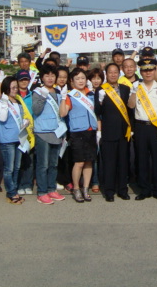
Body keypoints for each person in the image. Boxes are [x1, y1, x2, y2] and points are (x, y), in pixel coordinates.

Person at [127, 58, 157, 201]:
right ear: (140, 72)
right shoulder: (136, 86)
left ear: (155, 70)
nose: (148, 73)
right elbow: (131, 105)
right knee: (142, 159)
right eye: (145, 70)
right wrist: (134, 92)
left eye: (151, 69)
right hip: (140, 127)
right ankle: (144, 189)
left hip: (156, 127)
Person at [59, 67, 98, 203]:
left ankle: (85, 188)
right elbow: (63, 113)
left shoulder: (91, 94)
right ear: (72, 81)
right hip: (77, 132)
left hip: (91, 131)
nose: (80, 81)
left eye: (83, 78)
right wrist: (63, 97)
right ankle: (76, 188)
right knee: (79, 162)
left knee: (89, 161)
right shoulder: (70, 96)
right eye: (77, 79)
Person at [95, 63, 132, 202]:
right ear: (106, 74)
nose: (113, 74)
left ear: (119, 73)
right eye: (110, 72)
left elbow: (130, 110)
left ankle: (123, 190)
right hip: (108, 131)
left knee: (123, 162)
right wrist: (100, 101)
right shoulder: (101, 90)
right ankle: (109, 191)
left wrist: (131, 128)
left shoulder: (125, 89)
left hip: (123, 132)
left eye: (115, 72)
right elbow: (97, 111)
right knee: (109, 163)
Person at [32, 65, 67, 205]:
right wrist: (43, 96)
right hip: (43, 132)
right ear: (42, 77)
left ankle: (52, 189)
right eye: (47, 75)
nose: (50, 78)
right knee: (43, 164)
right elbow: (36, 110)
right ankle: (42, 192)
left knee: (54, 164)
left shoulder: (58, 92)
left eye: (53, 75)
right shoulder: (38, 92)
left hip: (56, 132)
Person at [0, 76, 34, 204]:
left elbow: (18, 119)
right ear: (6, 88)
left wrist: (24, 122)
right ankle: (11, 193)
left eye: (16, 87)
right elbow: (2, 118)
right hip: (7, 139)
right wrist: (4, 102)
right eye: (12, 88)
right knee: (9, 168)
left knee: (17, 167)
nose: (15, 90)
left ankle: (14, 190)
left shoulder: (18, 101)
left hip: (19, 138)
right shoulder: (2, 102)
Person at [16, 70, 35, 195]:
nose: (24, 82)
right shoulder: (14, 95)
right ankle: (19, 184)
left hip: (30, 132)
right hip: (18, 132)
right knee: (18, 160)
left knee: (29, 160)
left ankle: (28, 184)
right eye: (21, 80)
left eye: (26, 79)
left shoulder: (33, 95)